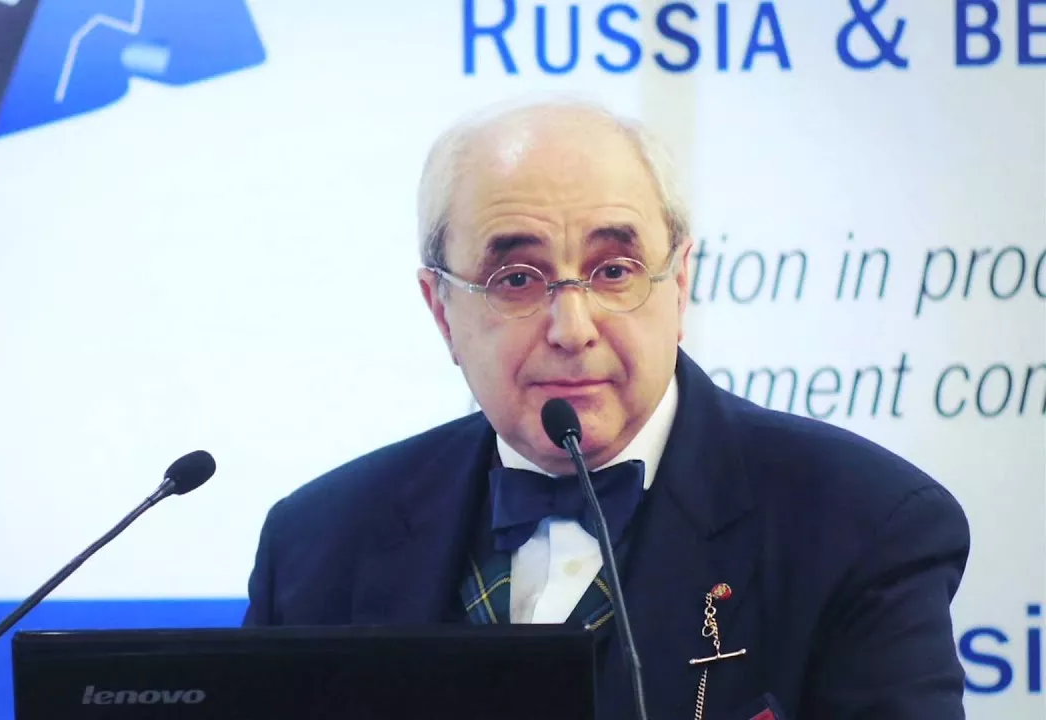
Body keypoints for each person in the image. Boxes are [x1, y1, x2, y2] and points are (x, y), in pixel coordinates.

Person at [242, 99, 971, 719]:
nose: (572, 328)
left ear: (678, 284)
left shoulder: (861, 526)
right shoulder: (316, 546)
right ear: (441, 312)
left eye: (614, 271)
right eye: (517, 279)